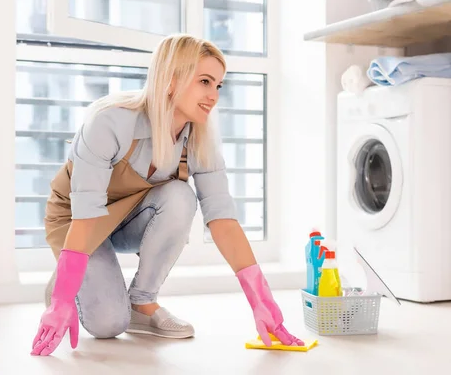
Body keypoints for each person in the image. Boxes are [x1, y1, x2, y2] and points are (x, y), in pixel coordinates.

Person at [30, 34, 304, 356]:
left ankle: (141, 302)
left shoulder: (200, 141)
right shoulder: (111, 123)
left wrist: (262, 300)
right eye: (205, 81)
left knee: (180, 196)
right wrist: (63, 298)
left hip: (129, 219)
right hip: (78, 220)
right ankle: (69, 284)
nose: (213, 95)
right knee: (107, 326)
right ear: (172, 80)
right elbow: (87, 215)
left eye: (218, 85)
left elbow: (223, 221)